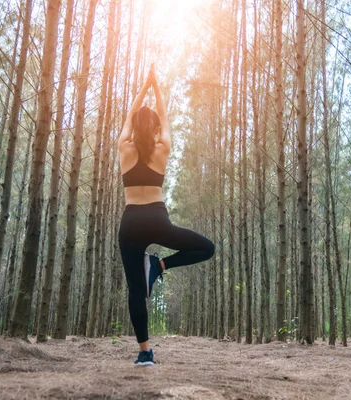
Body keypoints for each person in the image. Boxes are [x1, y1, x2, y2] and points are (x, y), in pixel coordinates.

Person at [117, 65, 215, 366]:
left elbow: (129, 118)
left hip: (131, 222)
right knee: (206, 248)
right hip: (157, 220)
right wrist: (156, 87)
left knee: (136, 290)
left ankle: (144, 352)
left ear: (134, 127)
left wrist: (142, 90)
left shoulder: (123, 146)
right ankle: (160, 265)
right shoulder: (163, 147)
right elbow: (164, 115)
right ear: (157, 128)